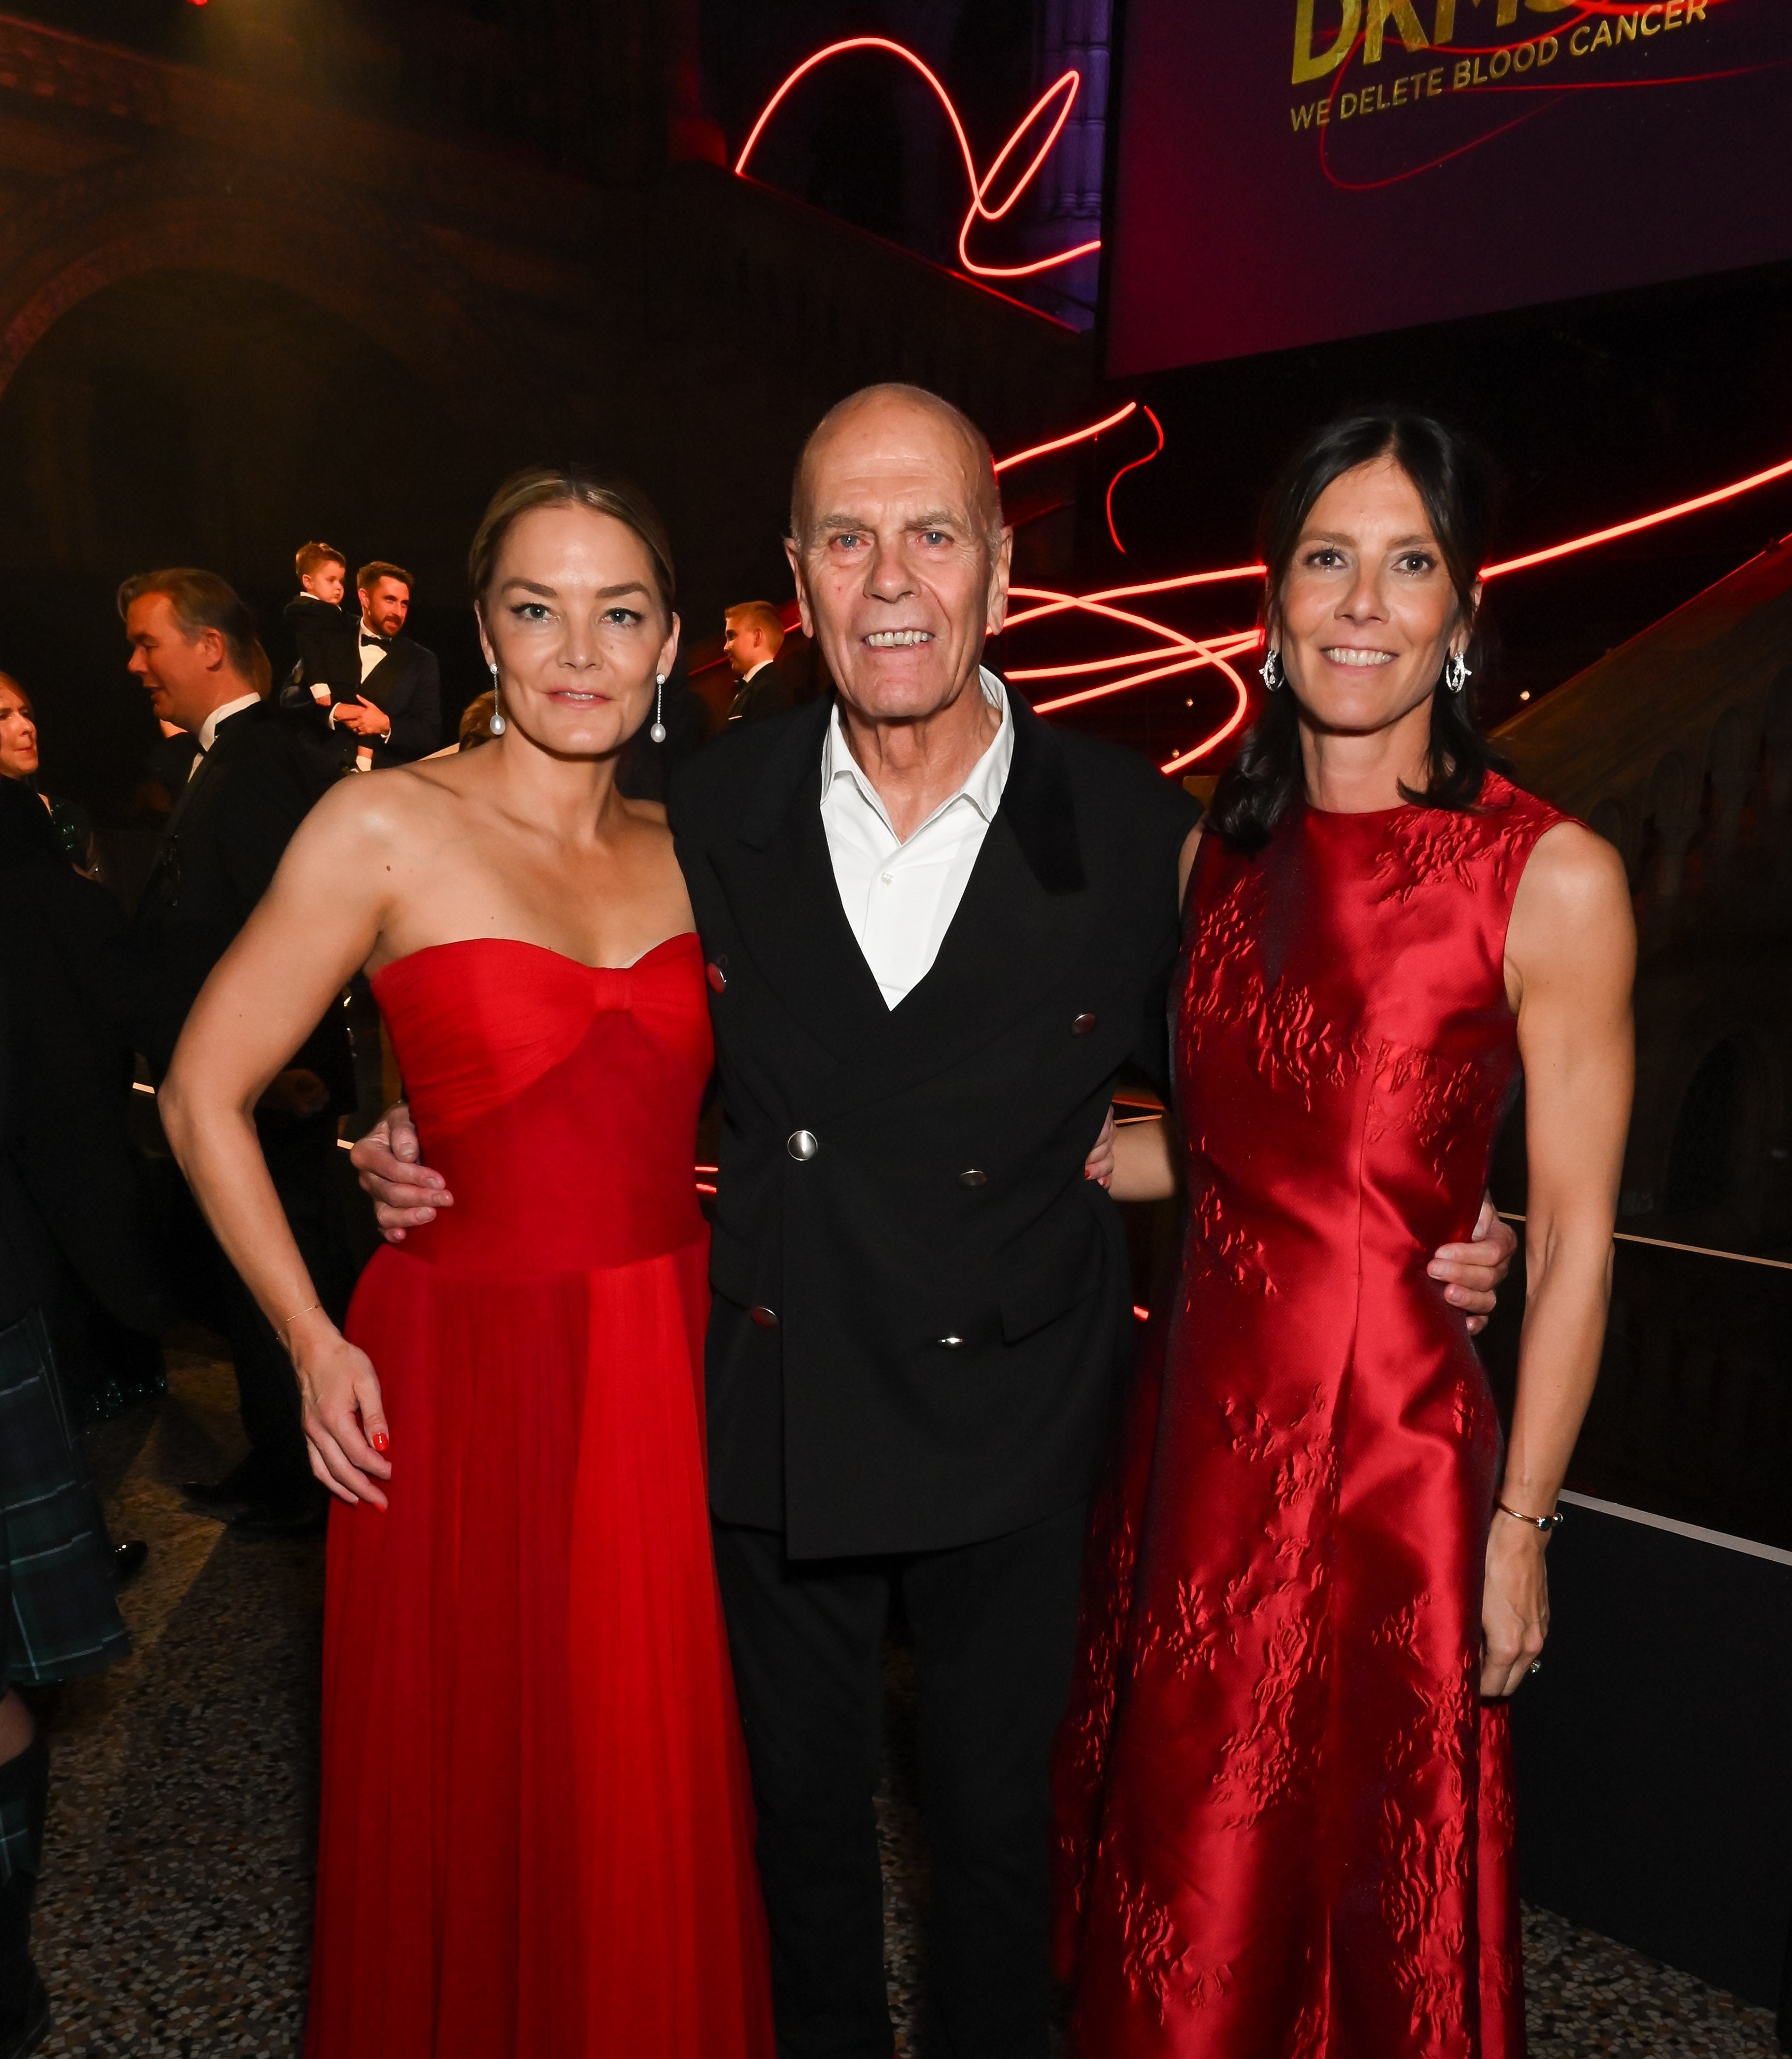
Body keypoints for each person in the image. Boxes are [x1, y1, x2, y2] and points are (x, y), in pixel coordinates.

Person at [355, 385, 1516, 2059]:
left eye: (931, 534)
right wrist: (422, 1125)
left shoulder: (1133, 836)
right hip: (771, 1405)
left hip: (1021, 1430)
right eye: (847, 537)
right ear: (797, 574)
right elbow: (561, 992)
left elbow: (1276, 1103)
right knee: (794, 1846)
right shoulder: (707, 808)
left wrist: (1434, 1214)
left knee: (999, 1848)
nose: (890, 576)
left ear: (998, 568)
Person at [158, 467, 774, 2059]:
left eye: (619, 610)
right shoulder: (383, 819)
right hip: (458, 1373)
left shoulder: (699, 843)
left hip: (662, 1357)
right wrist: (306, 1336)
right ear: (482, 630)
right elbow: (207, 1088)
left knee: (633, 1779)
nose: (579, 647)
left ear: (669, 642)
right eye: (537, 606)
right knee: (480, 1774)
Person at [1052, 411, 1635, 2057]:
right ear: (1270, 598)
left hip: (1392, 1463)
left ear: (1462, 613)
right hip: (1191, 1446)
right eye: (1326, 558)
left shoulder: (1548, 873)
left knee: (1363, 1896)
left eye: (1407, 564)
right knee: (1185, 1864)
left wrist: (1522, 1521)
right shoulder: (1212, 853)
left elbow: (1585, 1236)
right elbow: (1216, 1154)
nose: (1361, 602)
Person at [123, 570, 355, 1538]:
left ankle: (301, 1474)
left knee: (277, 1280)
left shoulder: (259, 761)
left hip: (267, 1087)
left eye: (148, 642)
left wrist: (288, 1059)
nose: (136, 665)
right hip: (248, 1087)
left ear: (209, 646)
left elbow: (291, 919)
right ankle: (286, 1460)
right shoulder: (237, 757)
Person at [325, 560, 441, 770]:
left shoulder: (421, 661)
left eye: (404, 603)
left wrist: (386, 725)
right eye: (390, 600)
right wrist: (336, 711)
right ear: (365, 598)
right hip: (312, 772)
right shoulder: (334, 634)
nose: (399, 612)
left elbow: (429, 733)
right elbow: (291, 696)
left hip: (376, 784)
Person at [283, 541, 357, 706]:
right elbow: (310, 649)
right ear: (308, 582)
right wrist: (319, 687)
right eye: (331, 580)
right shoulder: (307, 612)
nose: (339, 587)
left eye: (341, 581)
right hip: (324, 689)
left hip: (341, 685)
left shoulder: (334, 612)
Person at [724, 600, 790, 723]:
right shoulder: (760, 687)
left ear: (757, 637)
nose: (725, 647)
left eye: (731, 636)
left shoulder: (768, 690)